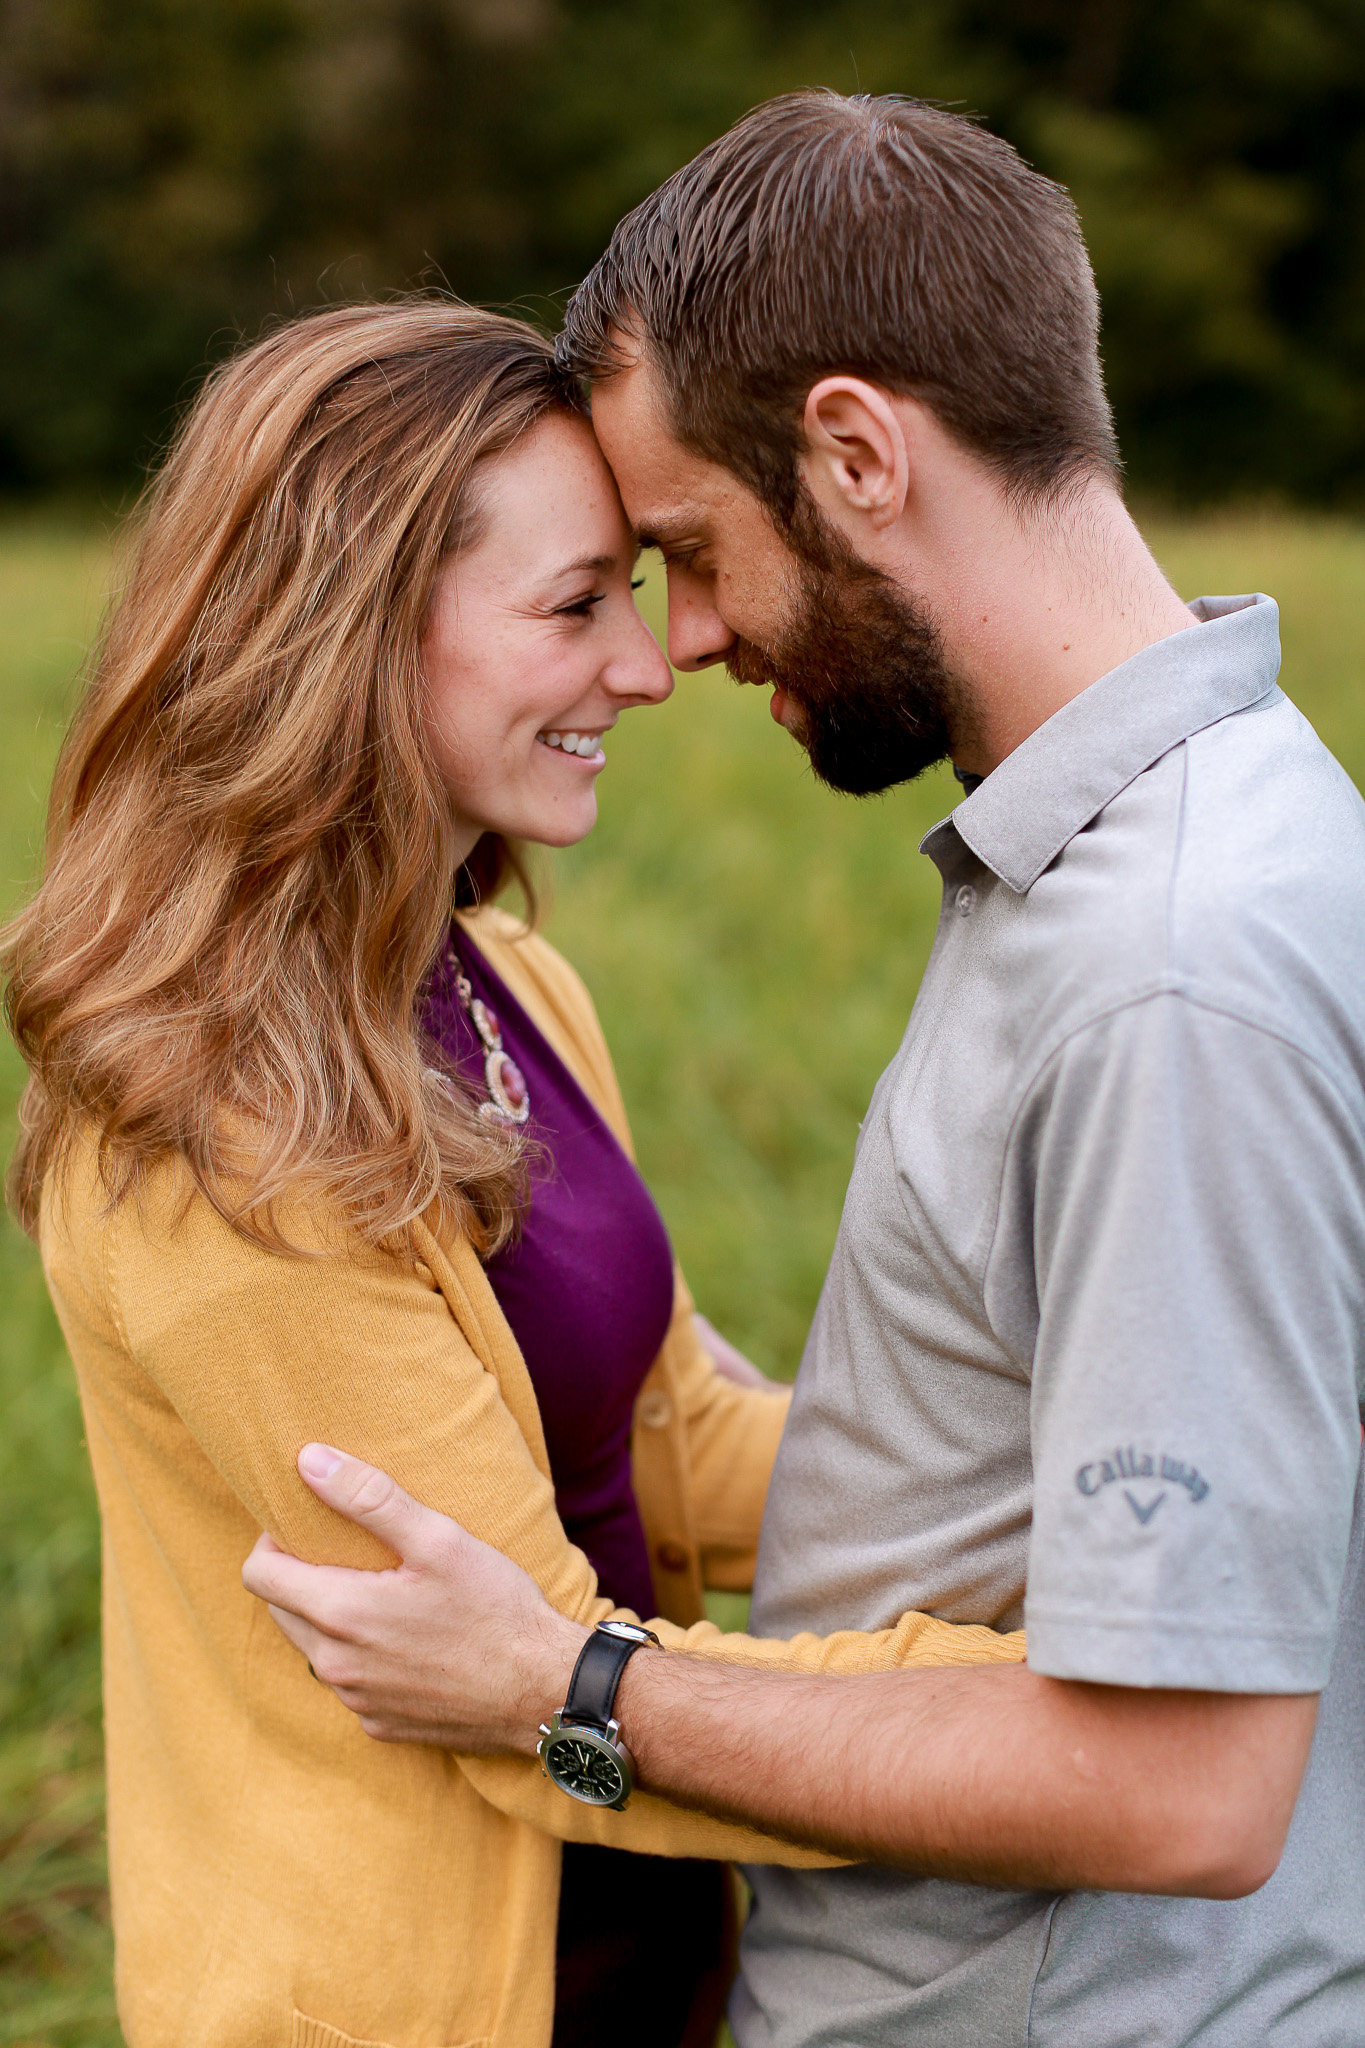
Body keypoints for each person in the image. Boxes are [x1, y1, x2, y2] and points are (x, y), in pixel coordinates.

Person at [245, 91, 1365, 2047]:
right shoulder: (1177, 840)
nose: (677, 647)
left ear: (851, 452)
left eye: (686, 549)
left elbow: (1175, 1784)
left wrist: (566, 1681)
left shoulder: (1157, 972)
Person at [2, 297, 1026, 2048]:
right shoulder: (218, 1132)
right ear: (348, 636)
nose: (643, 666)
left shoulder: (497, 985)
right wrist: (1066, 1720)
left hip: (653, 1962)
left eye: (627, 588)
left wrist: (1114, 1478)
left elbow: (666, 1445)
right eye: (571, 606)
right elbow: (514, 1698)